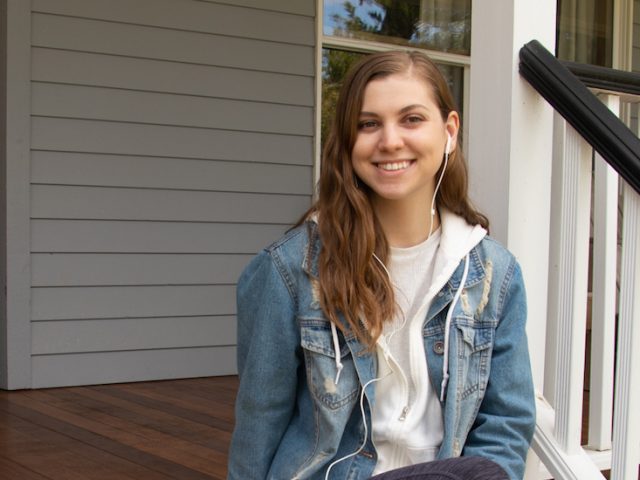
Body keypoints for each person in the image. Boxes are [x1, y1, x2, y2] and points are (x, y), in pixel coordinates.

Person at [227, 50, 535, 480]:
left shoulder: (493, 274)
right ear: (348, 141)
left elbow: (506, 424)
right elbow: (260, 421)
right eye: (368, 124)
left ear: (449, 131)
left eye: (411, 119)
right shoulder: (289, 270)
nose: (390, 140)